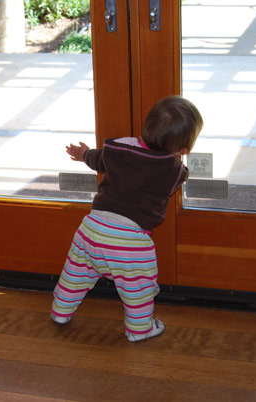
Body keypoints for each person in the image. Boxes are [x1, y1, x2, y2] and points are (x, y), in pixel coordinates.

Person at [51, 95, 203, 342]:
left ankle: (60, 311)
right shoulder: (174, 170)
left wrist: (84, 154)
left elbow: (99, 159)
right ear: (184, 149)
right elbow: (177, 180)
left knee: (76, 274)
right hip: (129, 241)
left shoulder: (119, 149)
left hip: (91, 228)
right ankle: (139, 330)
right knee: (138, 288)